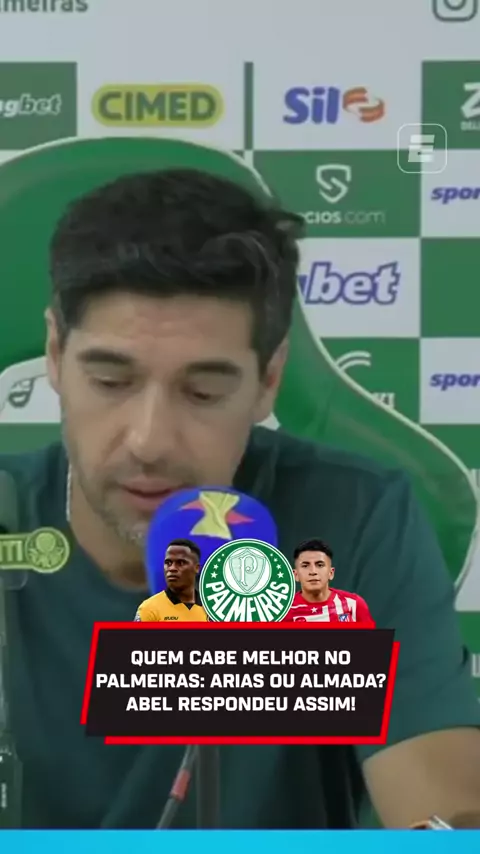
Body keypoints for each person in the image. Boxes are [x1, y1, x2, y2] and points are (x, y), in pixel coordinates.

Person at [3, 168, 480, 830]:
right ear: (56, 354)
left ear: (268, 381)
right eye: (111, 381)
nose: (149, 441)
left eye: (203, 393)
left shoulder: (353, 517)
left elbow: (445, 804)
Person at [284, 538, 375, 625]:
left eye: (320, 565)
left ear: (331, 573)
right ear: (296, 575)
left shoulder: (354, 604)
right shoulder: (284, 612)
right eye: (305, 566)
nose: (313, 572)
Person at [134, 538, 207, 622]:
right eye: (168, 563)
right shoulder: (149, 609)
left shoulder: (213, 609)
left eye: (181, 563)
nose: (172, 568)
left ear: (197, 568)